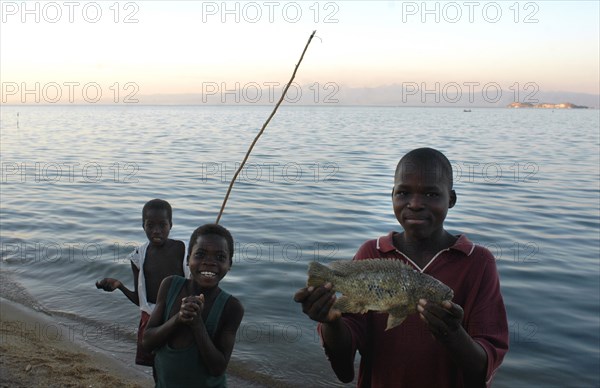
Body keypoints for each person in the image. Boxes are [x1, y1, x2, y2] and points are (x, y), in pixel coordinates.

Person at [294, 148, 509, 388]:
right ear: (392, 196)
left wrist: (453, 334)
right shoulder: (371, 253)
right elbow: (344, 368)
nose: (415, 204)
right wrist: (331, 323)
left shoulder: (478, 262)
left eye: (431, 193)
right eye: (404, 192)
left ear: (451, 199)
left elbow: (482, 369)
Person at [143, 223, 244, 388]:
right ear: (188, 259)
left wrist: (197, 324)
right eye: (200, 255)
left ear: (230, 264)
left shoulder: (232, 307)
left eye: (220, 257)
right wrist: (178, 319)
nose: (209, 262)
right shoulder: (169, 286)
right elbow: (147, 342)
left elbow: (218, 368)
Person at [96, 199, 187, 376]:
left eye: (163, 225)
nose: (156, 230)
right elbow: (141, 300)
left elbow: (193, 283)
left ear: (171, 225)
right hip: (151, 321)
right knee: (157, 367)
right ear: (142, 225)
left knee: (180, 366)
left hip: (178, 319)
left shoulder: (181, 250)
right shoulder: (138, 257)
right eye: (150, 225)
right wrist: (120, 286)